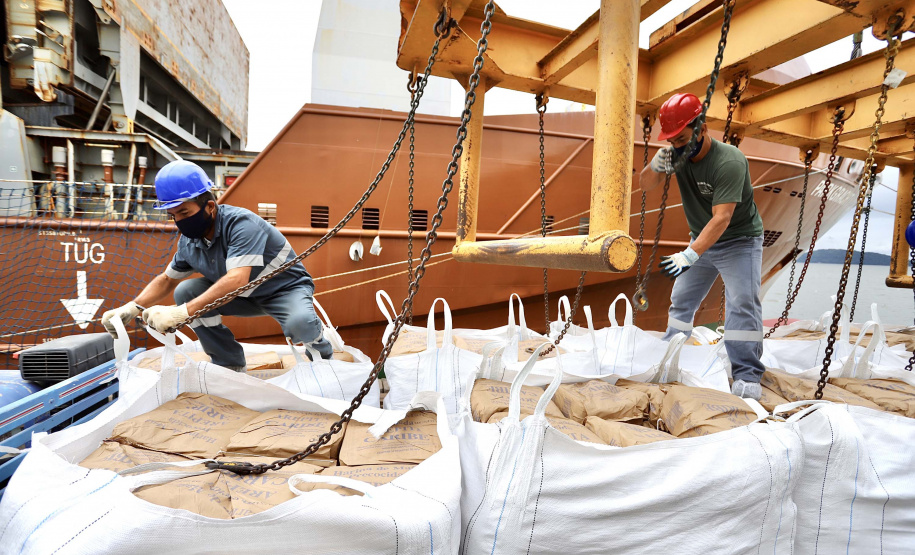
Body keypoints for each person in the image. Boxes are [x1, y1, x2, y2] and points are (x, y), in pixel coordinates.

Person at [100, 160, 332, 370]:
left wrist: (182, 313)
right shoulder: (189, 242)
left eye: (184, 212)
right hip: (243, 297)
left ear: (210, 206)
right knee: (185, 290)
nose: (180, 221)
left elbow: (237, 279)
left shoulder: (242, 225)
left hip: (283, 290)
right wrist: (133, 308)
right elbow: (168, 279)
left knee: (300, 322)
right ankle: (228, 363)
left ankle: (323, 354)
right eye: (173, 215)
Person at [640, 92, 765, 400]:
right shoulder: (676, 154)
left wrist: (690, 253)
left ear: (702, 128)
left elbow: (722, 218)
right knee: (682, 298)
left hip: (739, 241)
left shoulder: (729, 162)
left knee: (742, 304)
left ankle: (747, 373)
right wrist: (654, 166)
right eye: (672, 141)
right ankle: (673, 353)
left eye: (683, 139)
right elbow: (645, 185)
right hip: (701, 240)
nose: (678, 146)